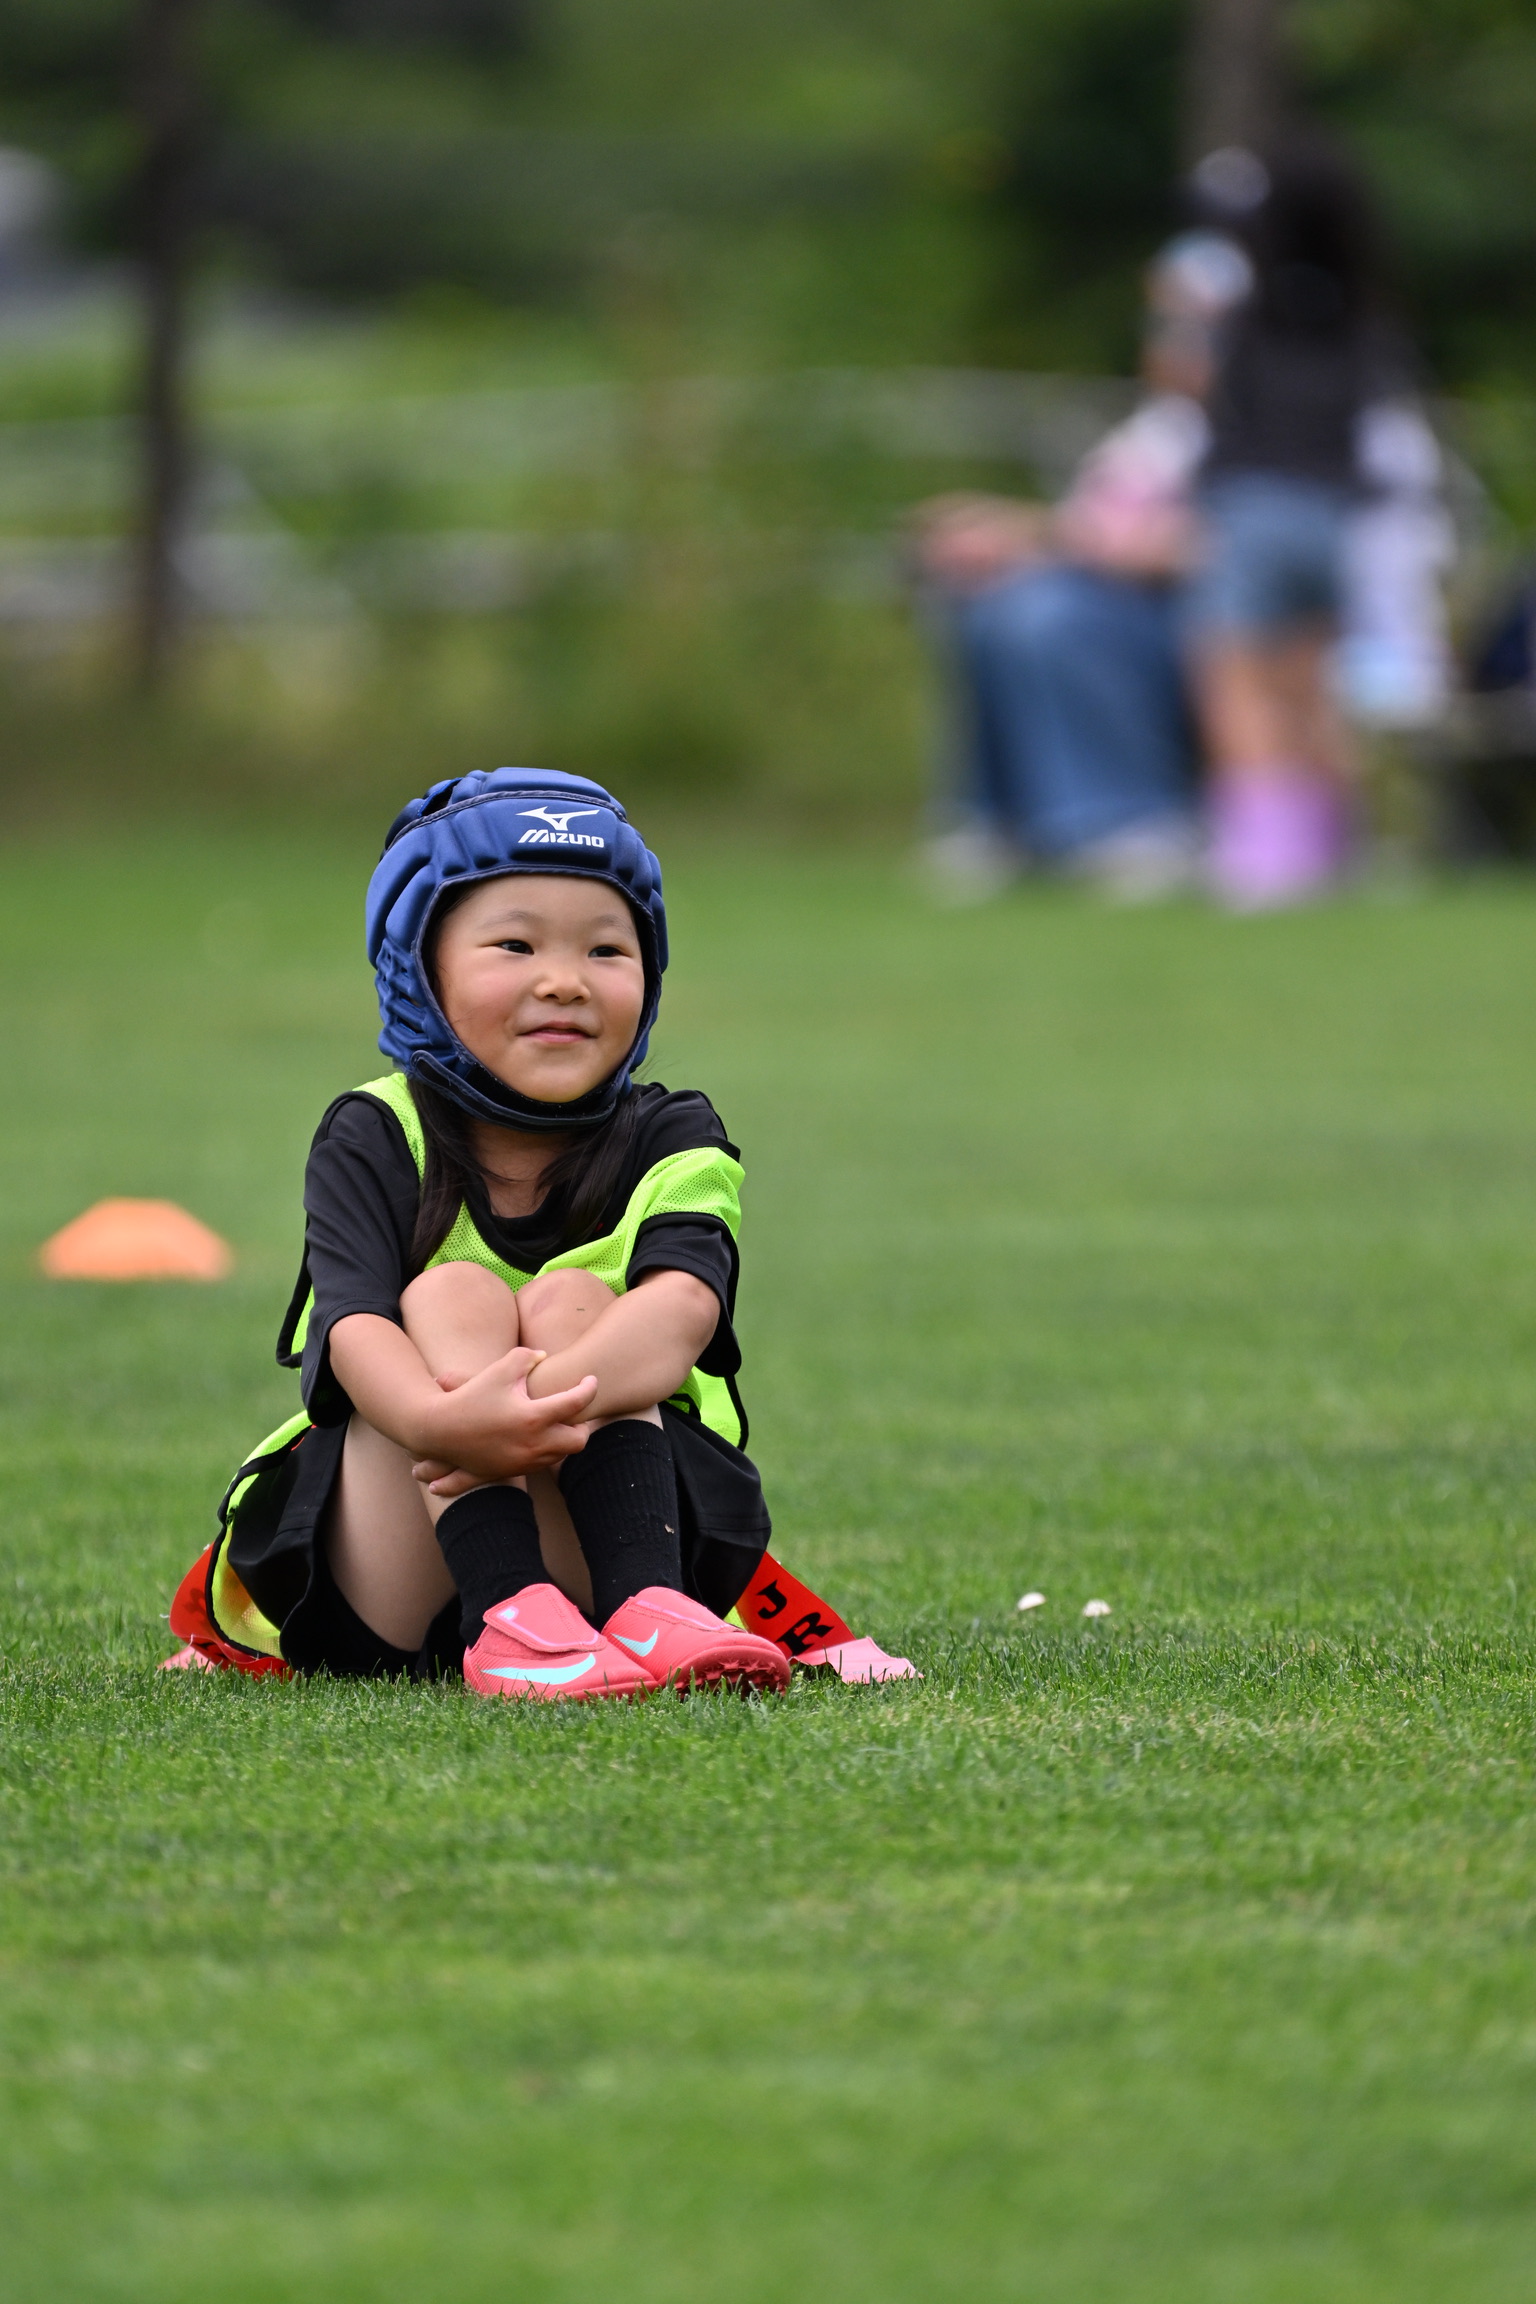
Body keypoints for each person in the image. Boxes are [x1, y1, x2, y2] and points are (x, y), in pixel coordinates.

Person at [162, 766, 916, 1696]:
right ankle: (509, 1612)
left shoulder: (675, 1132)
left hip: (609, 1540)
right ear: (418, 968)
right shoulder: (373, 1133)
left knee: (573, 1299)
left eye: (607, 949)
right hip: (396, 1558)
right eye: (515, 945)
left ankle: (648, 1606)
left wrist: (512, 1418)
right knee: (453, 1291)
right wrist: (445, 1424)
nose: (564, 981)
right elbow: (352, 1330)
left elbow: (681, 1314)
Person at [914, 230, 1249, 902]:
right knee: (987, 603)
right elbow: (1092, 530)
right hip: (1132, 606)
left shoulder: (1292, 429)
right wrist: (1001, 538)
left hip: (1229, 624)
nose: (1171, 349)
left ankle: (1135, 820)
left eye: (1193, 332)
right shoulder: (1161, 433)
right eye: (1164, 329)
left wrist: (1081, 542)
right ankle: (1003, 818)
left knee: (1048, 613)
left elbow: (1240, 546)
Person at [1187, 137, 1415, 908]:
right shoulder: (1359, 311)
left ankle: (1262, 861)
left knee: (1239, 682)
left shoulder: (1256, 310)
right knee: (1313, 689)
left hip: (1252, 509)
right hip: (1334, 514)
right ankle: (1336, 852)